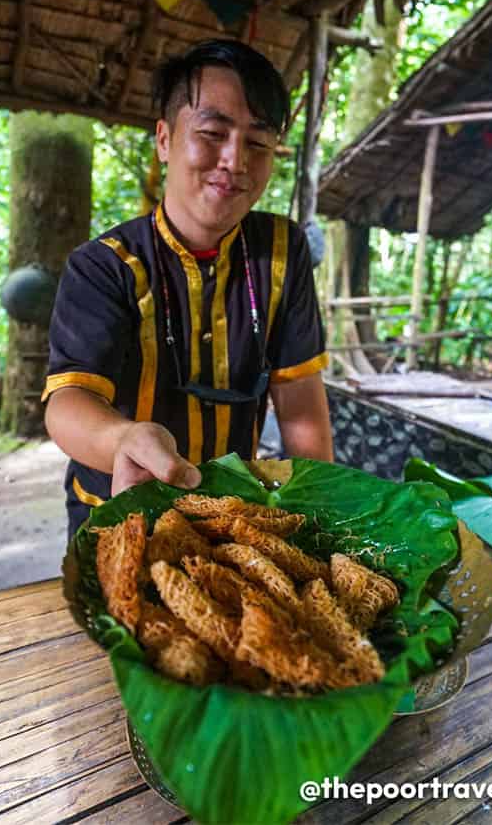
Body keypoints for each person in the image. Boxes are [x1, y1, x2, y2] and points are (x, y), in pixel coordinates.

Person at [43, 39, 333, 540]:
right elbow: (67, 403)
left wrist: (325, 511)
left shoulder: (284, 251)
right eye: (213, 133)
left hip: (234, 515)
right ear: (164, 139)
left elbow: (300, 401)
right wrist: (125, 438)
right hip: (119, 517)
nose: (235, 160)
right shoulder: (104, 266)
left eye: (258, 143)